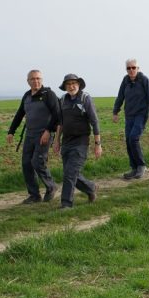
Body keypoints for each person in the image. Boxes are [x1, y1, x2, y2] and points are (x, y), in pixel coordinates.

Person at [7, 70, 60, 204]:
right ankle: (34, 195)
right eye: (32, 79)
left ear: (42, 80)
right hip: (29, 134)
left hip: (44, 134)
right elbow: (20, 114)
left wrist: (48, 131)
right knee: (26, 164)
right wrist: (11, 131)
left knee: (37, 162)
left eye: (38, 78)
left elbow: (57, 114)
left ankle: (51, 186)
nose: (36, 81)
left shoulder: (49, 95)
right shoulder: (26, 96)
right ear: (28, 81)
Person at [53, 74, 101, 209]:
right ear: (65, 87)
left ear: (79, 85)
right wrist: (57, 141)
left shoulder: (85, 98)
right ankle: (91, 188)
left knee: (69, 173)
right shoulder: (63, 100)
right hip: (66, 142)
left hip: (81, 142)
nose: (71, 86)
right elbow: (60, 123)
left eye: (74, 83)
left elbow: (94, 122)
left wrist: (98, 144)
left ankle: (66, 204)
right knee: (71, 173)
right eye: (68, 84)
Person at [111, 58, 149, 180]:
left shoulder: (144, 80)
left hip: (141, 115)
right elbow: (120, 96)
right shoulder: (125, 81)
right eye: (128, 68)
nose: (131, 70)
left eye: (133, 67)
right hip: (129, 115)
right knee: (128, 140)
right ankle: (134, 168)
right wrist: (115, 112)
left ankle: (141, 165)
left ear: (138, 68)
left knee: (133, 138)